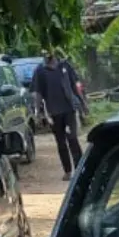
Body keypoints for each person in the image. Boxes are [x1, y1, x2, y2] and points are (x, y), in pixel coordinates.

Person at [33, 50, 87, 180]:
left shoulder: (65, 66)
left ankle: (80, 169)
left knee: (72, 139)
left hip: (69, 109)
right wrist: (38, 111)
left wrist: (83, 104)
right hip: (53, 113)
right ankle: (68, 171)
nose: (48, 57)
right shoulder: (40, 71)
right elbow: (37, 93)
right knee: (61, 142)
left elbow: (75, 85)